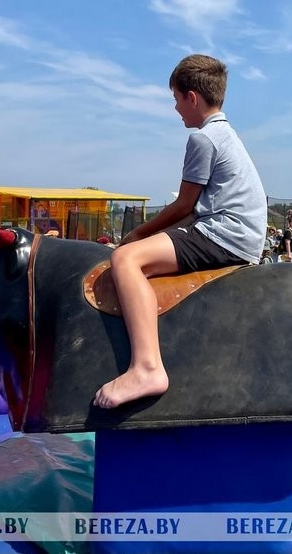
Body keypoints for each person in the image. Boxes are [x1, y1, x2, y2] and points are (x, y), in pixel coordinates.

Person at [93, 54, 266, 409]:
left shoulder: (204, 139)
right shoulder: (226, 134)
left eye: (175, 99)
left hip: (225, 233)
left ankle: (146, 367)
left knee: (125, 260)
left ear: (192, 97)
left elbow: (184, 206)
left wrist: (136, 236)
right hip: (238, 233)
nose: (175, 109)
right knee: (139, 259)